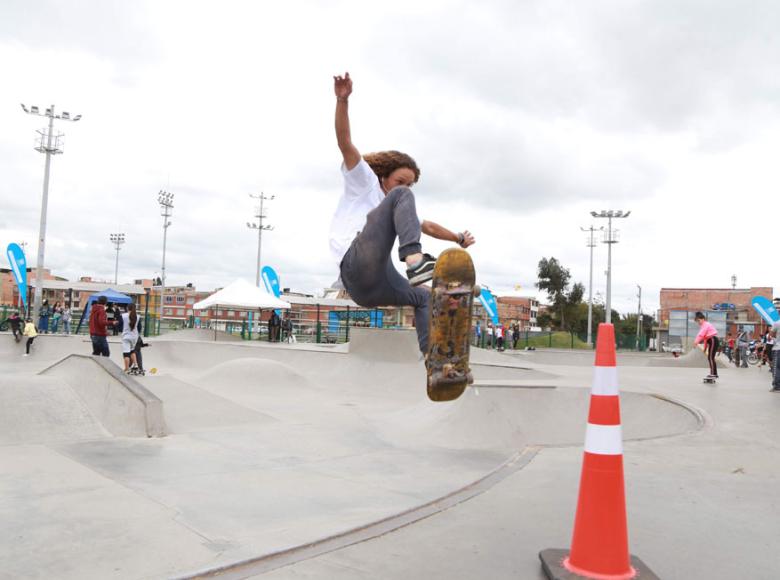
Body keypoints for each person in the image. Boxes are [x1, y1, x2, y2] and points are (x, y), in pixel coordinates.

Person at [329, 72, 475, 354]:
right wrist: (342, 100)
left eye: (409, 184)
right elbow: (344, 141)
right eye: (400, 181)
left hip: (372, 289)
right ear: (384, 176)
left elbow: (427, 226)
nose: (405, 188)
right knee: (402, 202)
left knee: (424, 297)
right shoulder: (364, 182)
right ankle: (415, 262)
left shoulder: (398, 209)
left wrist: (457, 237)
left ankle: (434, 359)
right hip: (355, 265)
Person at [693, 311, 719, 379]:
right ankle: (714, 373)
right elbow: (705, 339)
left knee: (710, 357)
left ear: (703, 319)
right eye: (697, 321)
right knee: (710, 357)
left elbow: (701, 335)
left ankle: (713, 373)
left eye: (699, 320)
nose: (698, 322)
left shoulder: (706, 324)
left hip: (713, 340)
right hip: (711, 340)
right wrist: (705, 348)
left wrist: (696, 342)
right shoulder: (704, 325)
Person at [121, 303, 141, 374]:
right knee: (132, 351)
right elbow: (139, 328)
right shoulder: (138, 316)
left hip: (126, 336)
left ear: (127, 308)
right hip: (134, 337)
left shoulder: (123, 316)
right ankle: (135, 365)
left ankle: (126, 369)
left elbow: (120, 325)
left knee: (126, 353)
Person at [772, 298, 780, 392]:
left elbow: (772, 334)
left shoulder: (777, 323)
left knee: (776, 368)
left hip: (778, 348)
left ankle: (777, 386)